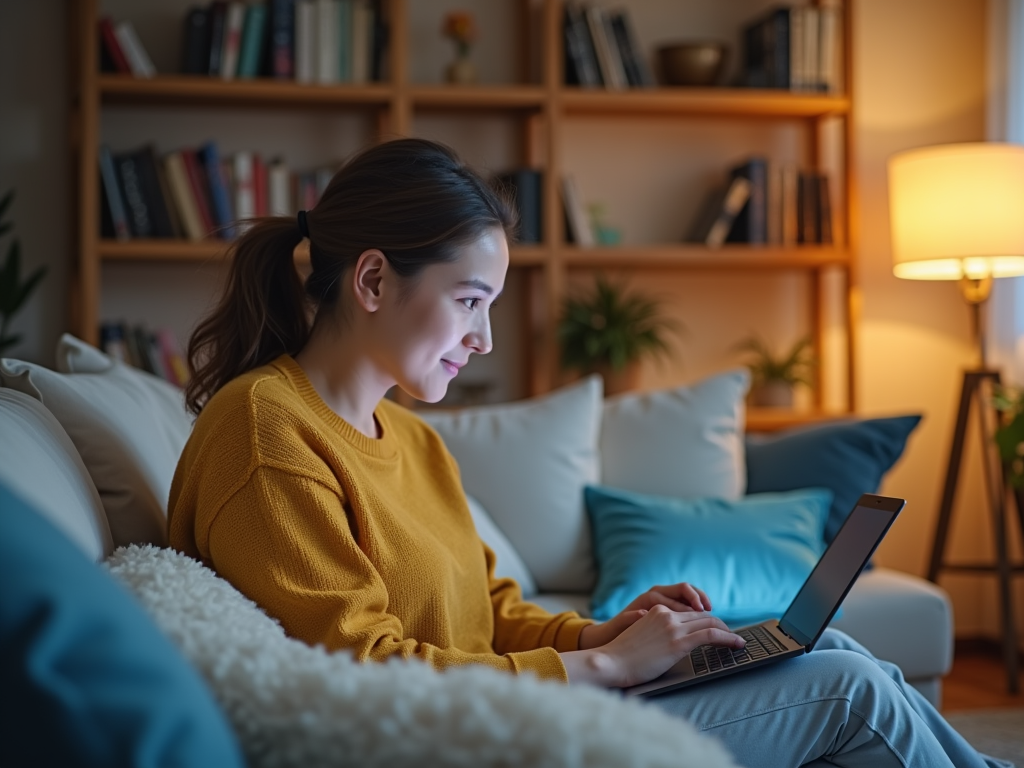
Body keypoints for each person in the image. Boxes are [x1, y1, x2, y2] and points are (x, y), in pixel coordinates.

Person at [168, 138, 1012, 768]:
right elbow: (363, 674)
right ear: (376, 280)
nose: (485, 338)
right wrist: (602, 666)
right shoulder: (268, 433)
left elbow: (489, 609)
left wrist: (609, 631)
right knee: (845, 690)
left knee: (832, 651)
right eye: (469, 301)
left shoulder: (413, 440)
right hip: (468, 743)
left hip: (512, 706)